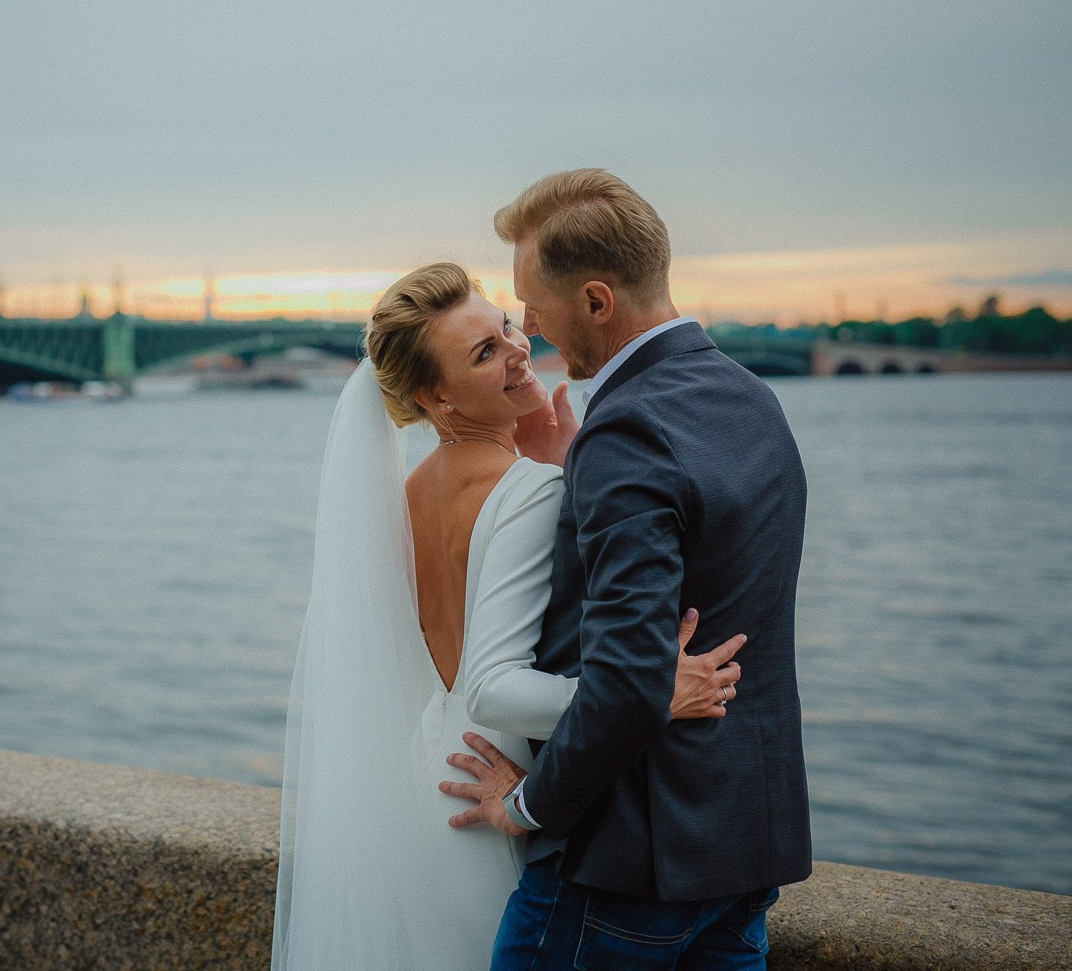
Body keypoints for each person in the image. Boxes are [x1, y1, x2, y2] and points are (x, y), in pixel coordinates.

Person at [271, 261, 747, 970]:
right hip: (491, 789)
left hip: (422, 779)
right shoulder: (529, 491)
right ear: (436, 398)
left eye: (504, 329)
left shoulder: (402, 499)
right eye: (484, 353)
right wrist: (652, 693)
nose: (518, 350)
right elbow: (494, 687)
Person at [440, 169, 811, 970]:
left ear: (597, 301)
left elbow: (629, 682)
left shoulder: (626, 433)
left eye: (534, 303)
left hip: (624, 865)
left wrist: (525, 806)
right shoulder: (751, 398)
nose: (528, 326)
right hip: (745, 849)